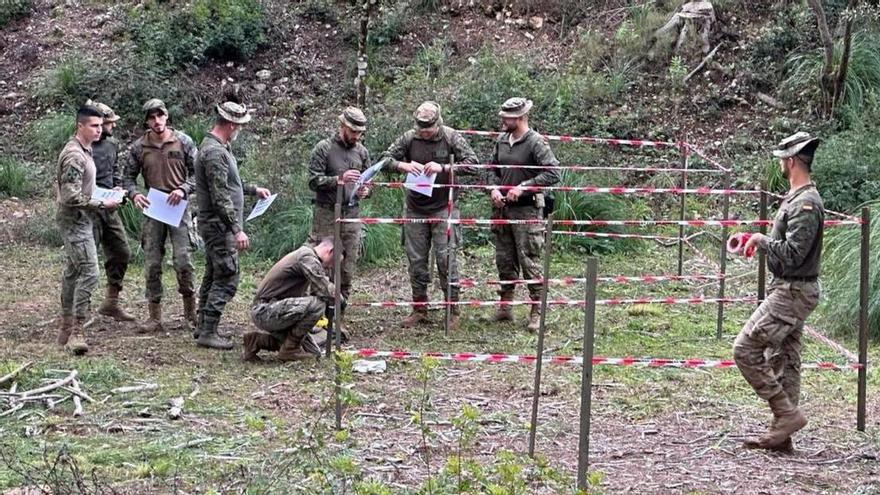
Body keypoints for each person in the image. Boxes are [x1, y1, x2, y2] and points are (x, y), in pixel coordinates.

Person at [734, 132, 825, 453]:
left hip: (793, 291)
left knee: (745, 349)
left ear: (790, 161)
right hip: (788, 287)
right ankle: (781, 435)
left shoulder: (805, 203)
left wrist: (762, 242)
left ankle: (786, 414)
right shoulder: (796, 197)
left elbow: (795, 254)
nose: (781, 165)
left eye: (782, 160)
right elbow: (787, 250)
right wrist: (760, 243)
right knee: (785, 358)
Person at [381, 101, 478, 330]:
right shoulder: (408, 138)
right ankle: (420, 307)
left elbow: (473, 164)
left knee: (447, 258)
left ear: (438, 123)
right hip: (415, 208)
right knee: (416, 260)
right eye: (420, 128)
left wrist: (443, 168)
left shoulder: (451, 137)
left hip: (444, 207)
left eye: (428, 129)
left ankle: (452, 308)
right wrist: (403, 167)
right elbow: (384, 159)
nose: (424, 133)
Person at [193, 101, 270, 350]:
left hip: (216, 223)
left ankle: (203, 324)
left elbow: (229, 184)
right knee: (227, 275)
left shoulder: (218, 147)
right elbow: (220, 195)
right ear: (230, 124)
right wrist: (236, 229)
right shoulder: (214, 152)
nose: (240, 130)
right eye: (239, 125)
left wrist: (252, 190)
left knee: (214, 273)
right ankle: (207, 330)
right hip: (219, 225)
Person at [124, 99, 199, 332]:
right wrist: (135, 194)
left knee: (183, 260)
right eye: (152, 117)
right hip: (154, 208)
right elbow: (126, 178)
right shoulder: (139, 147)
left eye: (160, 116)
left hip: (179, 207)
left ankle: (191, 313)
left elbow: (198, 174)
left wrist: (183, 189)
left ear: (167, 117)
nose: (157, 121)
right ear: (146, 120)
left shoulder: (183, 141)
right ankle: (154, 316)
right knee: (152, 262)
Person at [488, 97, 560, 331]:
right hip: (502, 210)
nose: (502, 120)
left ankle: (537, 311)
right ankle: (505, 307)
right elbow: (490, 171)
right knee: (504, 259)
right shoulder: (500, 141)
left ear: (520, 118)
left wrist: (524, 187)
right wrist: (494, 189)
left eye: (507, 117)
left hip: (527, 210)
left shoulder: (536, 142)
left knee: (529, 259)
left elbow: (552, 173)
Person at [55, 105, 122, 346]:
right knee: (90, 273)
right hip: (76, 221)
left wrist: (104, 197)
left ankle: (66, 329)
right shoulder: (75, 155)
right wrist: (102, 204)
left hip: (82, 219)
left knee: (73, 272)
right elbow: (70, 196)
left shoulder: (86, 149)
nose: (99, 130)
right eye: (93, 126)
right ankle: (77, 331)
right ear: (80, 126)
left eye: (100, 125)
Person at [307, 106, 370, 335]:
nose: (356, 137)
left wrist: (365, 191)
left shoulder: (361, 152)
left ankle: (337, 318)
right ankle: (315, 317)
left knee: (346, 268)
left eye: (359, 133)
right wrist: (338, 180)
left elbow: (367, 181)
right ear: (342, 126)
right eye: (352, 131)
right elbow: (313, 181)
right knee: (322, 266)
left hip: (352, 214)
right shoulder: (324, 148)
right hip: (326, 214)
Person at [243, 238, 339, 362]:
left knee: (314, 353)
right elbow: (326, 289)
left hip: (276, 309)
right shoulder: (306, 256)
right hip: (265, 309)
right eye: (334, 261)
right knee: (318, 305)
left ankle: (256, 341)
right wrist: (341, 300)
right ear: (330, 251)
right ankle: (290, 350)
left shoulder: (306, 258)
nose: (331, 266)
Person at [86, 100, 135, 322]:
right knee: (86, 260)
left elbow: (114, 169)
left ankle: (111, 302)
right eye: (109, 123)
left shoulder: (112, 144)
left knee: (122, 251)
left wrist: (117, 187)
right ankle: (78, 309)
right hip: (88, 209)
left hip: (109, 207)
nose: (112, 127)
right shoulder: (81, 146)